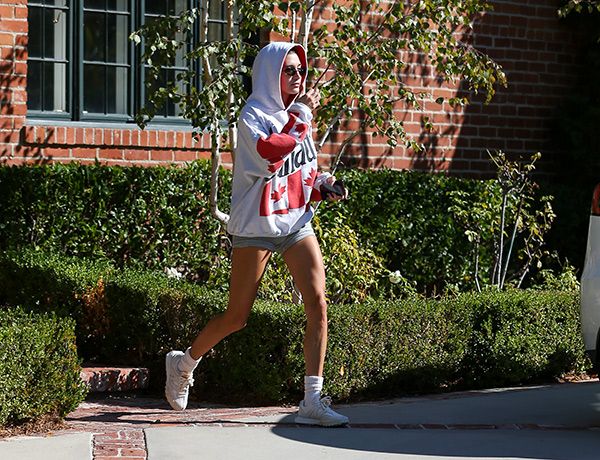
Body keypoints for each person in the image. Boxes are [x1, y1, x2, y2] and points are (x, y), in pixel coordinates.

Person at [164, 41, 349, 427]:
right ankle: (183, 363)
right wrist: (302, 114)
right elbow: (273, 153)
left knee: (318, 303)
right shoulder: (253, 116)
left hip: (294, 223)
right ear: (269, 73)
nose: (298, 78)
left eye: (301, 70)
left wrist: (325, 184)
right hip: (256, 226)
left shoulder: (297, 117)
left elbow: (302, 170)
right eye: (289, 70)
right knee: (237, 316)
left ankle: (311, 400)